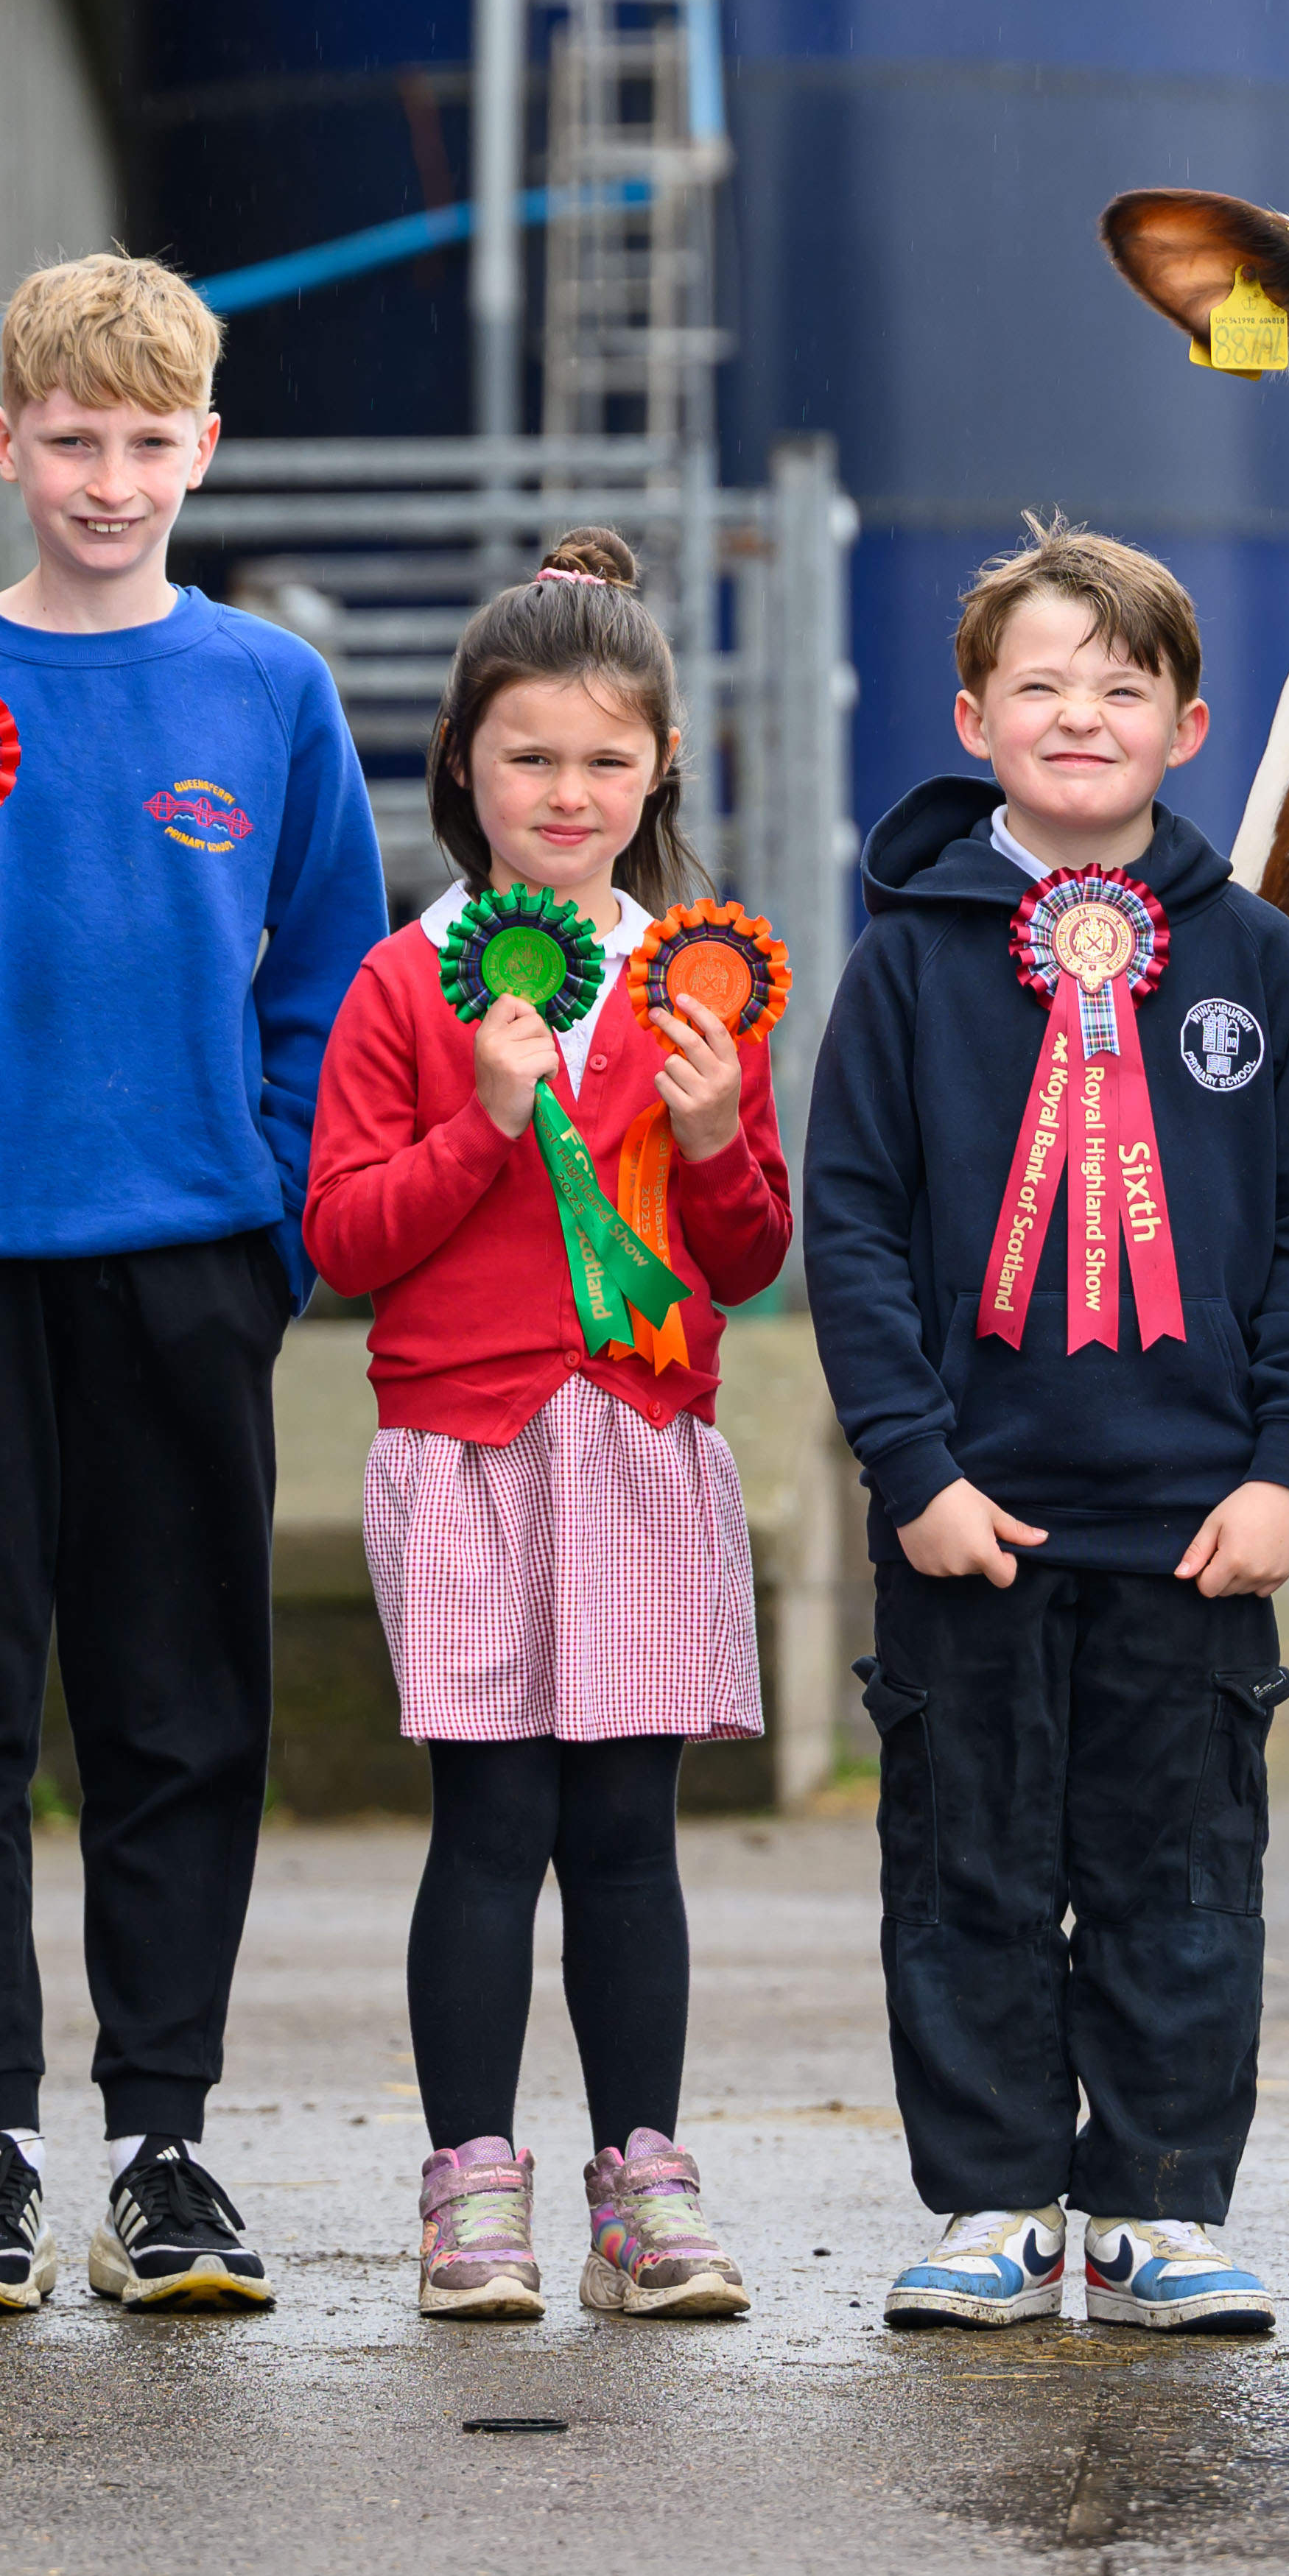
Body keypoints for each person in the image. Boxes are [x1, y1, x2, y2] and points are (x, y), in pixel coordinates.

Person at [0, 256, 383, 2318]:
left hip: (183, 1273)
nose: (109, 476)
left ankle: (164, 2141)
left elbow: (328, 973)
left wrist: (273, 1219)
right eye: (72, 437)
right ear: (4, 443)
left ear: (204, 450)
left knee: (179, 1714)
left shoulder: (268, 692)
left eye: (150, 442)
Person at [799, 525, 1289, 2340]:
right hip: (973, 1517)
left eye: (1123, 687)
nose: (1082, 715)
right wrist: (913, 1466)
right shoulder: (903, 970)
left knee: (1186, 1875)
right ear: (973, 715)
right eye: (1042, 684)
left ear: (1190, 725)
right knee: (965, 1863)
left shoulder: (1258, 964)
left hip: (1198, 1525)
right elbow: (856, 1229)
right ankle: (986, 2196)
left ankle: (1152, 2203)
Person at [306, 532, 792, 2326]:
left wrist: (728, 1125)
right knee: (488, 1827)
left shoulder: (697, 980)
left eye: (604, 758)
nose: (567, 792)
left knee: (631, 1838)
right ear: (463, 768)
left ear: (662, 763)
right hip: (468, 1453)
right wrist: (485, 1123)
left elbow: (744, 1251)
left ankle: (645, 2182)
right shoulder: (405, 982)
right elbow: (343, 1238)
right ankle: (471, 2192)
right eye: (528, 757)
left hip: (643, 1444)